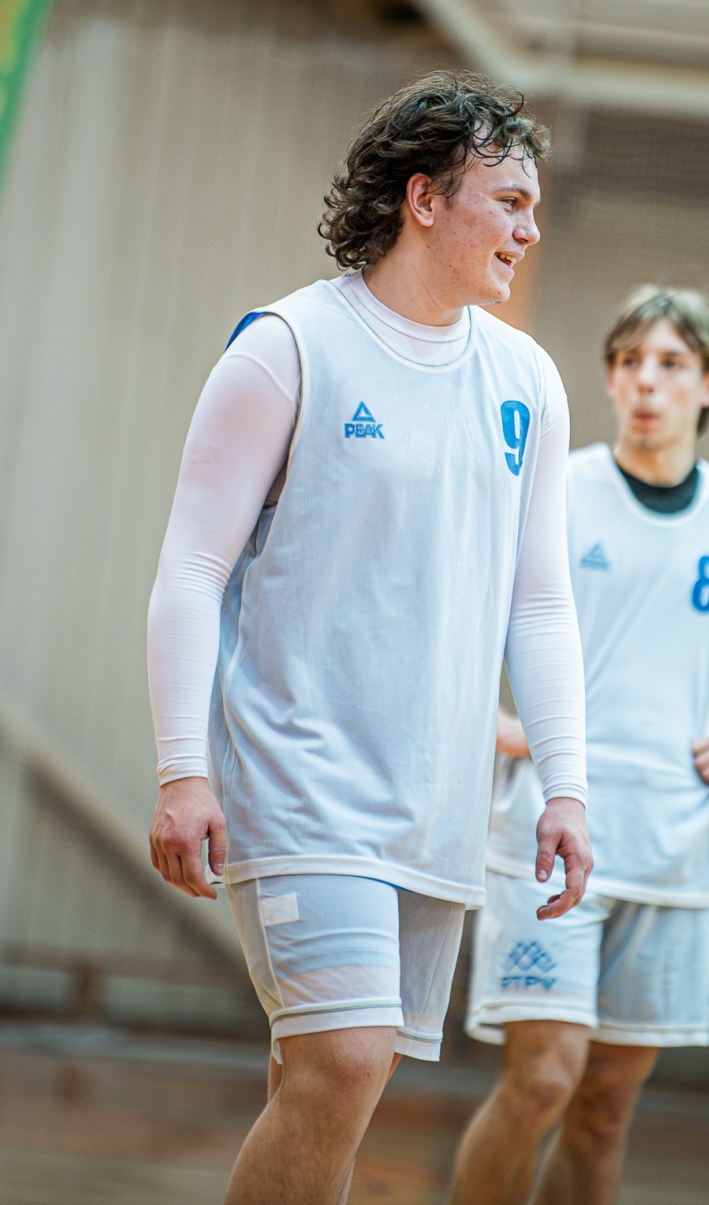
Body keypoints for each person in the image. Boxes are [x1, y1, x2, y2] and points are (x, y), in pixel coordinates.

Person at [144, 71, 594, 1205]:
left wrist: (566, 785)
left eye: (535, 206)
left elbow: (540, 603)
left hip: (434, 801)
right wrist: (181, 770)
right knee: (344, 1064)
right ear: (424, 199)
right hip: (299, 777)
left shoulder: (529, 383)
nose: (530, 228)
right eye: (508, 201)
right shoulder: (288, 346)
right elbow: (191, 571)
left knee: (327, 1088)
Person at [451, 287, 709, 1205]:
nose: (646, 382)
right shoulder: (556, 489)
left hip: (672, 845)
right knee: (542, 1082)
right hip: (550, 828)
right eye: (628, 363)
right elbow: (449, 615)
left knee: (607, 1104)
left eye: (670, 364)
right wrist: (487, 721)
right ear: (610, 381)